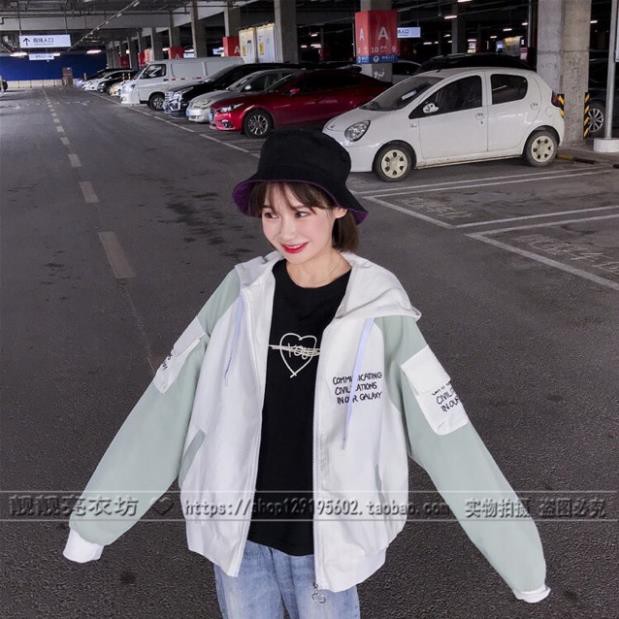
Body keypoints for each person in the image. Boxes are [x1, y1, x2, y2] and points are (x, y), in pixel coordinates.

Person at [63, 129, 551, 618]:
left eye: (301, 212)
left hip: (329, 543)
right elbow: (166, 406)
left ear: (337, 209)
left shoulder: (379, 310)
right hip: (239, 536)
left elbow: (447, 436)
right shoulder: (239, 293)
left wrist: (520, 561)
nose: (285, 232)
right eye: (271, 214)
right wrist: (96, 522)